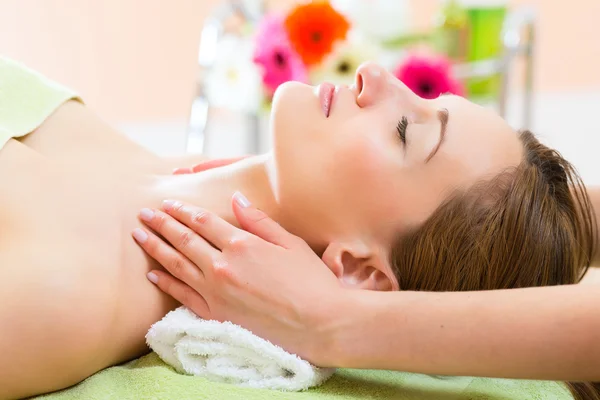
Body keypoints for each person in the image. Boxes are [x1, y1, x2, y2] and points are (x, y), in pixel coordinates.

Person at [0, 53, 594, 400]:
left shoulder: (66, 292)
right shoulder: (82, 135)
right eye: (419, 98)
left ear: (359, 268)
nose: (373, 76)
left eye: (405, 132)